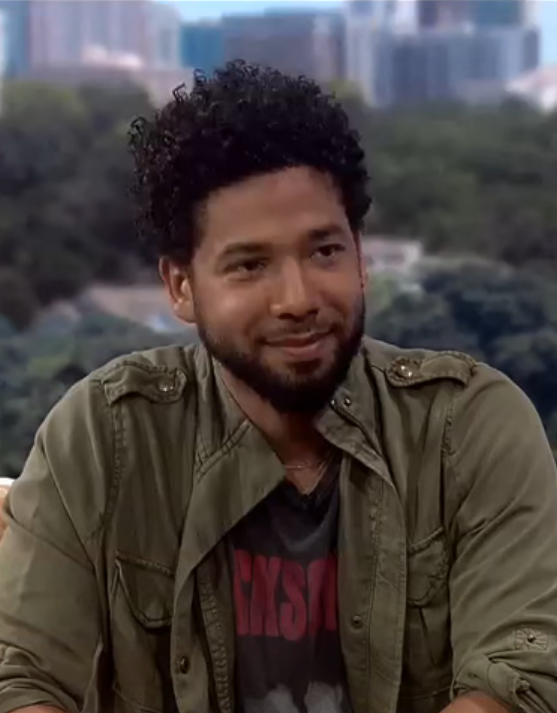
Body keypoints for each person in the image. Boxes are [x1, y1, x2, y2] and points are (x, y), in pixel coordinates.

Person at [0, 60, 556, 713]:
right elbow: (23, 679)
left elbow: (520, 676)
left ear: (361, 257)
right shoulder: (106, 436)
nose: (297, 299)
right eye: (249, 265)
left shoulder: (468, 427)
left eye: (324, 251)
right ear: (181, 286)